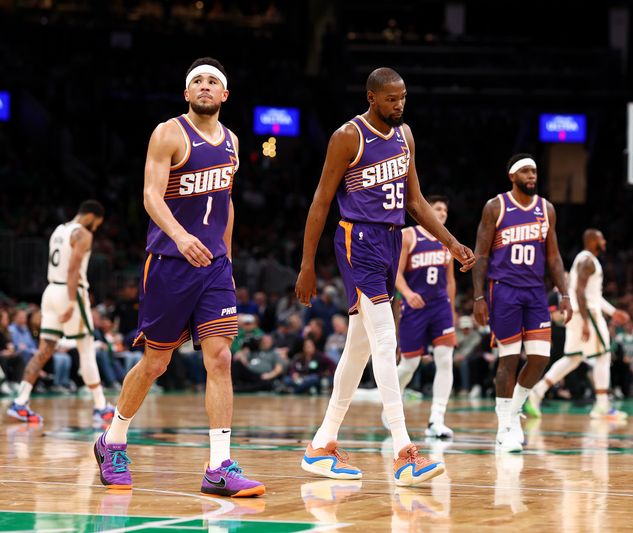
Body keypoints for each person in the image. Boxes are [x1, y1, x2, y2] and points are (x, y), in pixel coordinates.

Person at [295, 67, 475, 486]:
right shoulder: (347, 137)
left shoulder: (405, 136)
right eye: (392, 98)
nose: (399, 105)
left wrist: (450, 242)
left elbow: (415, 201)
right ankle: (404, 450)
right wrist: (307, 265)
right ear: (372, 97)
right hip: (357, 238)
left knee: (358, 348)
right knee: (385, 338)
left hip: (391, 241)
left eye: (404, 98)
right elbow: (321, 203)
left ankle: (322, 445)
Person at [93, 57, 264, 497]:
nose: (205, 87)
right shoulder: (169, 132)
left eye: (213, 82)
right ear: (186, 93)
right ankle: (112, 441)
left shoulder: (233, 142)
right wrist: (182, 236)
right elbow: (151, 196)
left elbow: (225, 203)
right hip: (170, 262)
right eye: (197, 82)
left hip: (215, 267)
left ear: (225, 95)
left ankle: (218, 466)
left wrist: (226, 255)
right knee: (156, 362)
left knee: (221, 358)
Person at [472, 153, 572, 453]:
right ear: (512, 176)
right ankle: (504, 425)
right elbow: (482, 253)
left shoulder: (546, 209)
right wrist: (478, 296)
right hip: (504, 290)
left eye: (535, 171)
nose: (532, 176)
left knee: (541, 357)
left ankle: (514, 410)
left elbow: (553, 256)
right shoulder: (496, 206)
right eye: (526, 171)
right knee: (509, 358)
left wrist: (564, 293)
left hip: (535, 291)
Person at [7, 201, 114, 425]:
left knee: (45, 349)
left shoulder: (59, 229)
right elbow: (73, 268)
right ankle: (101, 406)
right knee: (86, 348)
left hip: (50, 291)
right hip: (69, 291)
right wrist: (72, 302)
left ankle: (20, 401)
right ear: (92, 216)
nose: (95, 228)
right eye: (97, 223)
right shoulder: (82, 233)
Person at [527, 229, 629, 420]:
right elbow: (580, 292)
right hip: (587, 314)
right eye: (601, 238)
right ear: (592, 241)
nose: (604, 241)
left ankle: (537, 392)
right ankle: (602, 406)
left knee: (573, 358)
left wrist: (612, 312)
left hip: (579, 313)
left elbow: (592, 295)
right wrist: (585, 322)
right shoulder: (587, 261)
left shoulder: (585, 260)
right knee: (604, 356)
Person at [393, 195, 457, 439]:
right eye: (437, 208)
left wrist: (451, 311)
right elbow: (396, 273)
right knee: (410, 364)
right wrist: (407, 294)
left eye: (445, 210)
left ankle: (436, 419)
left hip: (440, 305)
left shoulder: (446, 241)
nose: (442, 213)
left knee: (445, 358)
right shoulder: (409, 235)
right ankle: (391, 406)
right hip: (415, 306)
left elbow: (450, 281)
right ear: (427, 210)